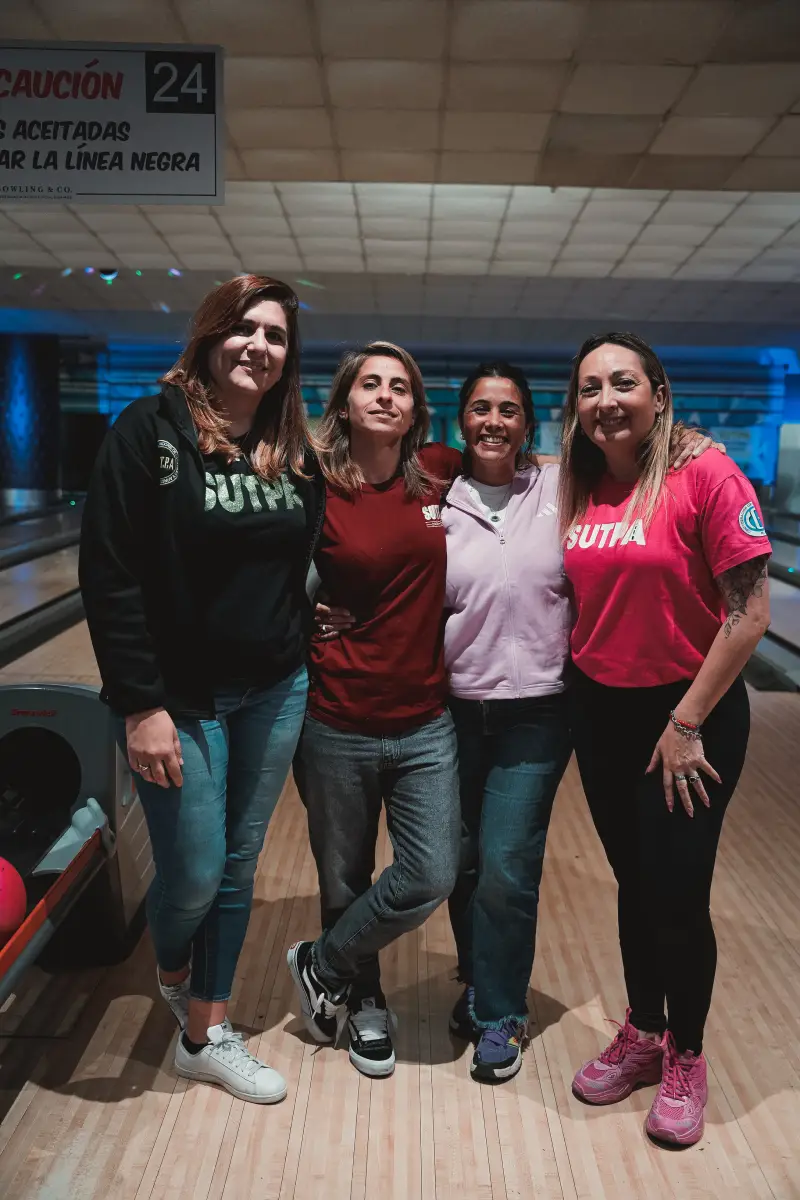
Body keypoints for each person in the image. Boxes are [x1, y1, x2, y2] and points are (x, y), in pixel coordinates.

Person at [79, 275, 325, 1104]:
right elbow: (109, 574)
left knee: (236, 863)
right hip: (178, 697)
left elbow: (304, 557)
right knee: (192, 870)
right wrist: (139, 703)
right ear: (212, 334)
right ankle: (175, 968)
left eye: (277, 335)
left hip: (275, 688)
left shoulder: (292, 449)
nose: (260, 346)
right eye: (245, 328)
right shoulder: (146, 430)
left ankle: (204, 1033)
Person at [561, 332, 771, 1146]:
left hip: (688, 716)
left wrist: (686, 723)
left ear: (658, 393)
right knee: (634, 883)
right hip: (600, 713)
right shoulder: (577, 479)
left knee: (677, 893)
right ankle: (643, 1031)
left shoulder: (706, 474)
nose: (605, 400)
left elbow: (749, 615)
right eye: (589, 388)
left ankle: (686, 1053)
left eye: (622, 383)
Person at [287, 341, 463, 1078]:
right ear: (346, 401)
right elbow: (259, 574)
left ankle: (322, 963)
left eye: (400, 386)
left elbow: (534, 464)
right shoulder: (312, 485)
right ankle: (364, 1001)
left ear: (415, 408)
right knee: (344, 878)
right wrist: (305, 615)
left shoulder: (441, 472)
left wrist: (678, 445)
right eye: (371, 383)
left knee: (431, 873)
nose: (386, 395)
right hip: (336, 720)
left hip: (425, 722)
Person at [442, 362, 573, 1082]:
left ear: (527, 423)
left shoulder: (558, 488)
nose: (494, 421)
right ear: (462, 417)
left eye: (509, 410)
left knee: (506, 863)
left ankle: (500, 1013)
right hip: (454, 708)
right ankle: (477, 978)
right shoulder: (437, 499)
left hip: (539, 711)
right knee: (461, 860)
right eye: (481, 408)